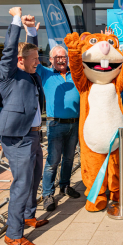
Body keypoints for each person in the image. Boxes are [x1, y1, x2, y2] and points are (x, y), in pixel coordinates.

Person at [0, 8, 48, 245]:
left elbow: (30, 51)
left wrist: (32, 31)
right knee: (22, 184)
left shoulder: (30, 72)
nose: (38, 62)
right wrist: (16, 20)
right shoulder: (7, 73)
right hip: (17, 138)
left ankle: (28, 216)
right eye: (34, 59)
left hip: (34, 134)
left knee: (35, 177)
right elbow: (10, 50)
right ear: (19, 61)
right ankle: (13, 235)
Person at [30, 41, 82, 212]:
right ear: (51, 59)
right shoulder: (45, 73)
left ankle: (65, 186)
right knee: (53, 161)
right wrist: (32, 34)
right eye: (58, 57)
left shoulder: (75, 73)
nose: (61, 60)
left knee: (69, 158)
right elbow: (32, 58)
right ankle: (47, 194)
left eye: (64, 57)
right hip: (55, 123)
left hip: (74, 124)